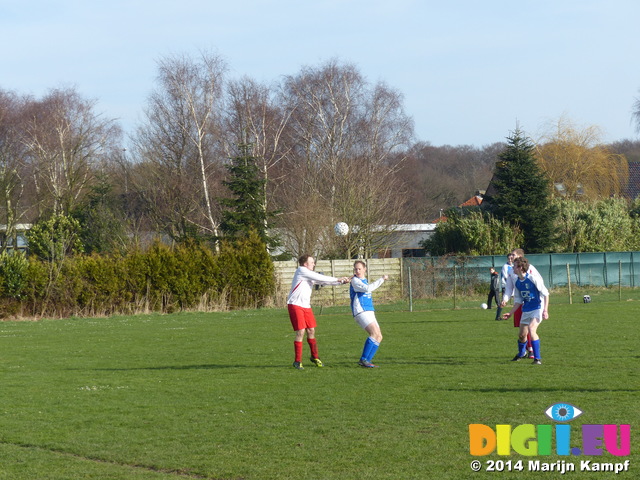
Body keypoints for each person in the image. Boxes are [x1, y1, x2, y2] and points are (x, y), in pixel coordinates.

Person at [287, 254, 350, 370]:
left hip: (306, 306)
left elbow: (324, 282)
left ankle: (314, 357)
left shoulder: (309, 274)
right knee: (301, 332)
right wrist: (338, 279)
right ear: (305, 264)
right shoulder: (301, 270)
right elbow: (321, 278)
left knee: (311, 330)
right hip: (295, 304)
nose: (314, 264)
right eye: (312, 262)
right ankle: (297, 361)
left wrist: (341, 282)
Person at [502, 257, 549, 365]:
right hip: (526, 309)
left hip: (537, 307)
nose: (512, 268)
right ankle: (521, 353)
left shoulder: (533, 279)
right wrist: (510, 313)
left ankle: (537, 359)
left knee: (532, 329)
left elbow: (546, 293)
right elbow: (518, 300)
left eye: (514, 266)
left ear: (520, 267)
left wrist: (545, 310)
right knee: (522, 335)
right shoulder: (517, 282)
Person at [349, 260, 388, 368]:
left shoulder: (363, 280)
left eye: (359, 269)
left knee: (379, 336)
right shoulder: (355, 281)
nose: (357, 271)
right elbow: (368, 288)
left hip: (369, 310)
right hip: (361, 311)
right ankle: (363, 360)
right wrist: (382, 279)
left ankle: (367, 360)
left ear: (365, 269)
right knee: (374, 333)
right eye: (356, 269)